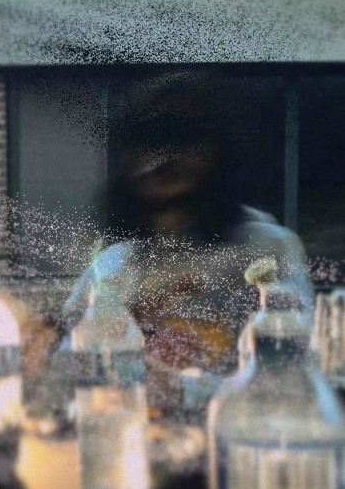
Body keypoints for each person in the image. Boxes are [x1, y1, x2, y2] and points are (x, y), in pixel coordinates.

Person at [61, 72, 314, 414]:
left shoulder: (266, 250)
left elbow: (295, 375)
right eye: (147, 139)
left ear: (217, 148)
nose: (163, 156)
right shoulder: (111, 264)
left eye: (182, 135)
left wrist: (183, 390)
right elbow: (64, 368)